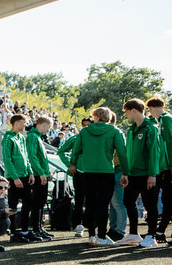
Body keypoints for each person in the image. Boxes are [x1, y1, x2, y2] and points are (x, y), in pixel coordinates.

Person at [69, 107, 127, 246]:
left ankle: (92, 236)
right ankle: (101, 235)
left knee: (90, 204)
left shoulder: (84, 131)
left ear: (95, 117)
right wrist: (125, 172)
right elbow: (122, 153)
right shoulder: (114, 131)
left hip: (88, 172)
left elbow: (76, 150)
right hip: (106, 171)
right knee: (103, 205)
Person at [117, 99, 161, 247]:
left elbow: (154, 152)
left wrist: (152, 174)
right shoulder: (131, 130)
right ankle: (134, 234)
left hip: (147, 174)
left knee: (150, 204)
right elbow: (128, 153)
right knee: (128, 201)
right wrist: (126, 173)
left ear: (133, 110)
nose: (126, 115)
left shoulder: (150, 128)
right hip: (132, 174)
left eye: (127, 111)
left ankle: (151, 236)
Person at [1, 114, 37, 243]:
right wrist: (15, 178)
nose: (25, 125)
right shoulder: (7, 138)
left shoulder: (21, 137)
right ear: (15, 123)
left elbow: (26, 157)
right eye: (23, 122)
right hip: (14, 177)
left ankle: (25, 231)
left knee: (28, 202)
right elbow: (7, 160)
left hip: (25, 175)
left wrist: (30, 172)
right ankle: (14, 233)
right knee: (13, 204)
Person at [146, 97, 172, 244]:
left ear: (153, 107)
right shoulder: (162, 120)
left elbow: (170, 141)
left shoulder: (165, 119)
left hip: (168, 167)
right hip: (165, 167)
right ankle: (160, 231)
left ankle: (160, 231)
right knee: (166, 200)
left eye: (150, 109)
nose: (150, 112)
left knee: (168, 201)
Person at [25, 116, 54, 241]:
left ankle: (39, 228)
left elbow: (41, 158)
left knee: (41, 202)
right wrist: (41, 173)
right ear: (42, 125)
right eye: (49, 126)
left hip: (41, 174)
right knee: (38, 202)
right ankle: (36, 229)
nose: (49, 130)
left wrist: (46, 173)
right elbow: (32, 157)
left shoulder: (36, 137)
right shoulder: (32, 136)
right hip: (37, 175)